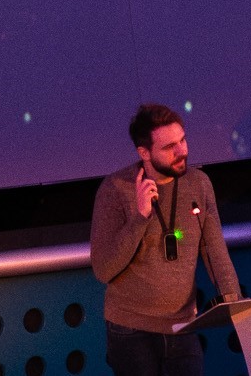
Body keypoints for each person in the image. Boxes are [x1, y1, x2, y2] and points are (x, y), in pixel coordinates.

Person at [90, 104, 241, 376]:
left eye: (183, 140)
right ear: (144, 153)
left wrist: (233, 300)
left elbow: (213, 248)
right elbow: (103, 270)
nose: (182, 151)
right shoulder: (115, 189)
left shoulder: (199, 184)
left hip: (183, 326)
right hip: (131, 331)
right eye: (169, 146)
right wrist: (140, 217)